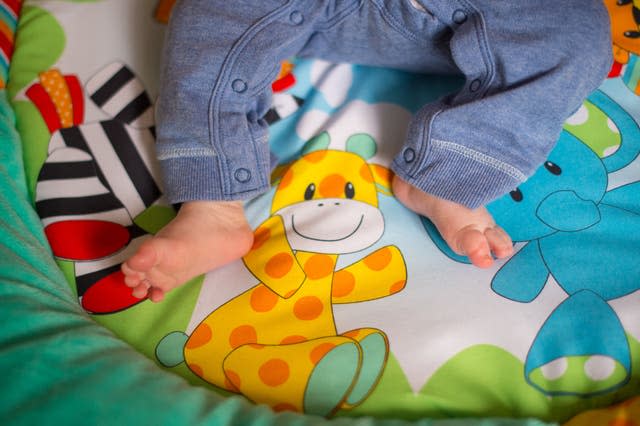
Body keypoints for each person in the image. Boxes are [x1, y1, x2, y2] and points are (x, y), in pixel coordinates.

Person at [122, 0, 612, 302]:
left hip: (487, 19)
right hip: (319, 14)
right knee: (213, 13)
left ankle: (447, 175)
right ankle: (213, 204)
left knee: (582, 34)